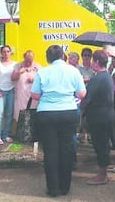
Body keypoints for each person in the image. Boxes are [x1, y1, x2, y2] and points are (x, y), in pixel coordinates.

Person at [31, 45, 86, 198]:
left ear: (48, 57)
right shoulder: (73, 71)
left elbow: (34, 95)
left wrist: (48, 97)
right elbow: (81, 93)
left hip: (46, 113)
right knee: (66, 150)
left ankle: (53, 188)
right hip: (68, 112)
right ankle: (65, 187)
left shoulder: (42, 72)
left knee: (50, 151)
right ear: (63, 56)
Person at [80, 50, 115, 185]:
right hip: (107, 114)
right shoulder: (107, 76)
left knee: (100, 145)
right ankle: (103, 173)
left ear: (97, 62)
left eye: (93, 60)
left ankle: (102, 175)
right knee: (104, 145)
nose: (92, 63)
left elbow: (87, 98)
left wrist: (80, 107)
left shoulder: (97, 78)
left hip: (98, 117)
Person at [0, 45, 17, 145]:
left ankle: (6, 135)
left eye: (8, 51)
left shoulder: (15, 64)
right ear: (1, 53)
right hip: (0, 91)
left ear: (10, 52)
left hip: (11, 91)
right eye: (4, 52)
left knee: (9, 114)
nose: (6, 53)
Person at [11, 50, 41, 122]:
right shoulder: (18, 66)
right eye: (26, 61)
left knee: (33, 115)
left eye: (30, 61)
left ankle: (32, 132)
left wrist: (34, 80)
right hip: (21, 96)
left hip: (33, 97)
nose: (28, 63)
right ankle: (22, 132)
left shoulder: (38, 67)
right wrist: (19, 73)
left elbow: (43, 80)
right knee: (21, 115)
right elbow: (12, 78)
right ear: (24, 58)